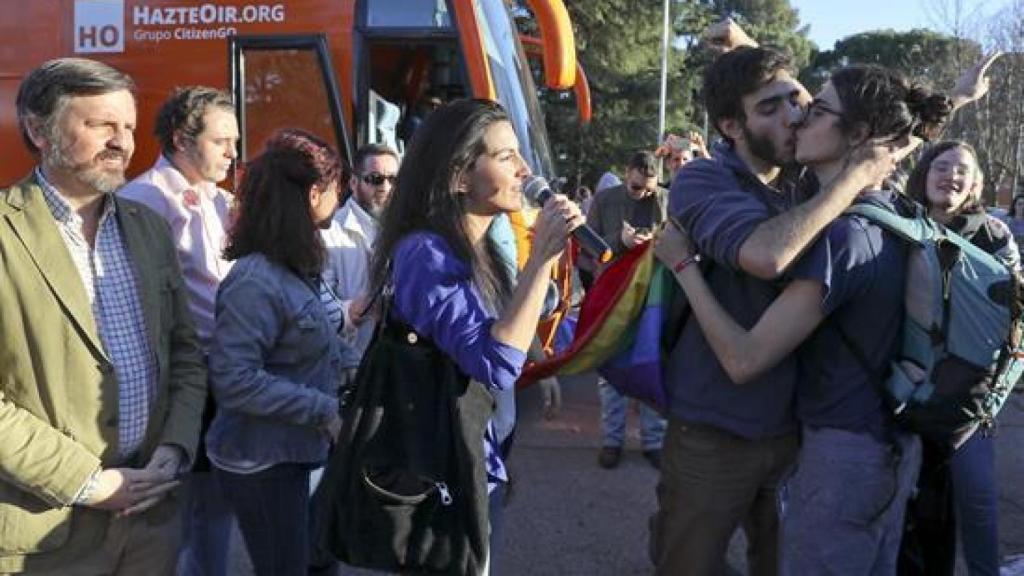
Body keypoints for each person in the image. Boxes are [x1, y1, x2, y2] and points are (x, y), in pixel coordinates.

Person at [657, 64, 950, 574]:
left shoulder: (840, 224)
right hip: (727, 429)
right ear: (731, 126)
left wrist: (684, 268)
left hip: (823, 445)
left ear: (858, 136)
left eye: (805, 103)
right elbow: (767, 253)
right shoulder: (712, 178)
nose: (796, 117)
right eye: (772, 107)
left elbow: (745, 357)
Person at [0, 57, 206, 575]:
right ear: (39, 131)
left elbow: (186, 354)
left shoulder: (149, 228)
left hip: (152, 519)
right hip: (45, 533)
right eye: (101, 125)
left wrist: (175, 448)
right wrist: (87, 483)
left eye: (129, 128)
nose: (123, 143)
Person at [367, 98, 581, 573]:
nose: (525, 169)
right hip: (437, 472)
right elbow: (495, 362)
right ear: (460, 177)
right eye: (506, 156)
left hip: (478, 458)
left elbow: (509, 323)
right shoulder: (425, 253)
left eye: (519, 154)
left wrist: (541, 359)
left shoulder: (483, 243)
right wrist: (543, 255)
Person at [205, 129, 346, 576]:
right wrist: (324, 409)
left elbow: (317, 343)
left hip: (296, 451)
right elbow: (234, 380)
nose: (341, 197)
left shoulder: (294, 267)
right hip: (262, 462)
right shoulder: (255, 280)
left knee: (317, 560)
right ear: (313, 194)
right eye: (337, 187)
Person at [117, 85, 238, 576]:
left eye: (234, 141)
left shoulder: (220, 200)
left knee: (214, 504)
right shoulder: (144, 199)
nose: (232, 153)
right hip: (177, 380)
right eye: (221, 141)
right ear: (181, 140)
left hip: (220, 374)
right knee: (174, 512)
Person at [903, 139, 1020, 576]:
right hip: (904, 391)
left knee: (977, 499)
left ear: (975, 184)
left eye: (962, 170)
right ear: (924, 173)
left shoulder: (994, 235)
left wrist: (995, 394)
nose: (951, 175)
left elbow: (1016, 319)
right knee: (907, 508)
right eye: (942, 165)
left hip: (967, 398)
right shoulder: (899, 226)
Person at [584, 150, 668, 469]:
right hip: (614, 293)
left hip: (654, 292)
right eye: (636, 188)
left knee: (652, 363)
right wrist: (621, 241)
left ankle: (654, 440)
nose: (644, 194)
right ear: (626, 173)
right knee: (611, 368)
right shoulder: (605, 200)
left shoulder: (666, 198)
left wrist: (655, 241)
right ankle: (612, 440)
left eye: (650, 189)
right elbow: (589, 245)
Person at [322, 143, 400, 387]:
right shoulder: (329, 232)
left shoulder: (408, 230)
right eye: (375, 179)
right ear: (354, 183)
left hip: (398, 365)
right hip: (351, 369)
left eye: (393, 179)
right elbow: (316, 307)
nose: (385, 187)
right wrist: (356, 308)